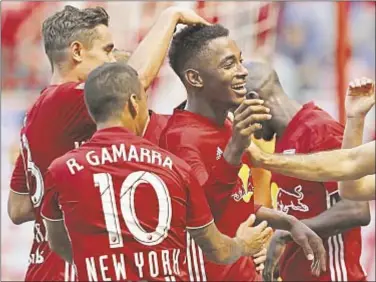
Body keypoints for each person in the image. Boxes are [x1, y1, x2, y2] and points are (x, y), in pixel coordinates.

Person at [7, 5, 210, 281]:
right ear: (77, 51)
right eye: (107, 50)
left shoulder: (37, 114)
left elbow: (18, 209)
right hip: (72, 269)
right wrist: (169, 16)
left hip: (43, 268)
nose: (113, 60)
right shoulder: (63, 100)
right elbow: (135, 82)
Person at [40, 62, 274, 281]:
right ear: (134, 103)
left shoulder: (60, 170)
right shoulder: (175, 166)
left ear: (92, 112)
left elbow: (57, 243)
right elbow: (217, 250)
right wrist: (244, 244)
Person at [161, 24, 326, 281]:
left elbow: (237, 201)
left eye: (241, 61)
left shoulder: (227, 124)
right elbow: (206, 216)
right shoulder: (181, 138)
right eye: (229, 65)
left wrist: (289, 222)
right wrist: (235, 147)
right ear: (195, 78)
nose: (243, 72)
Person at [242, 62, 371, 282]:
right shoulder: (282, 139)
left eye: (237, 109)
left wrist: (287, 233)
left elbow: (356, 209)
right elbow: (303, 211)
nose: (240, 122)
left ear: (254, 99)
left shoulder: (319, 129)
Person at [248, 78, 375, 201]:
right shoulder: (283, 136)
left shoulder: (317, 127)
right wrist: (355, 118)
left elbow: (354, 207)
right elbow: (352, 187)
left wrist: (264, 159)